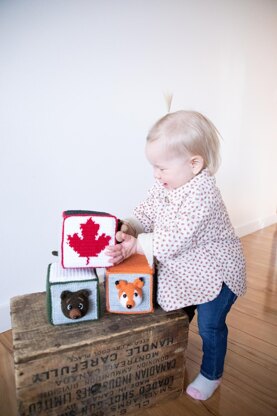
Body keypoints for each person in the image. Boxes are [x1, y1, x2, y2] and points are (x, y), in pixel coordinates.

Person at [106, 110, 246, 400]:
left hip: (216, 274)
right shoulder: (165, 184)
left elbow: (175, 240)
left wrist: (136, 245)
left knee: (210, 325)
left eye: (161, 168)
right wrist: (130, 226)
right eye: (154, 167)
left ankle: (212, 374)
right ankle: (169, 355)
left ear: (194, 164)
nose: (156, 175)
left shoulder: (203, 193)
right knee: (176, 314)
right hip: (186, 270)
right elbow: (147, 210)